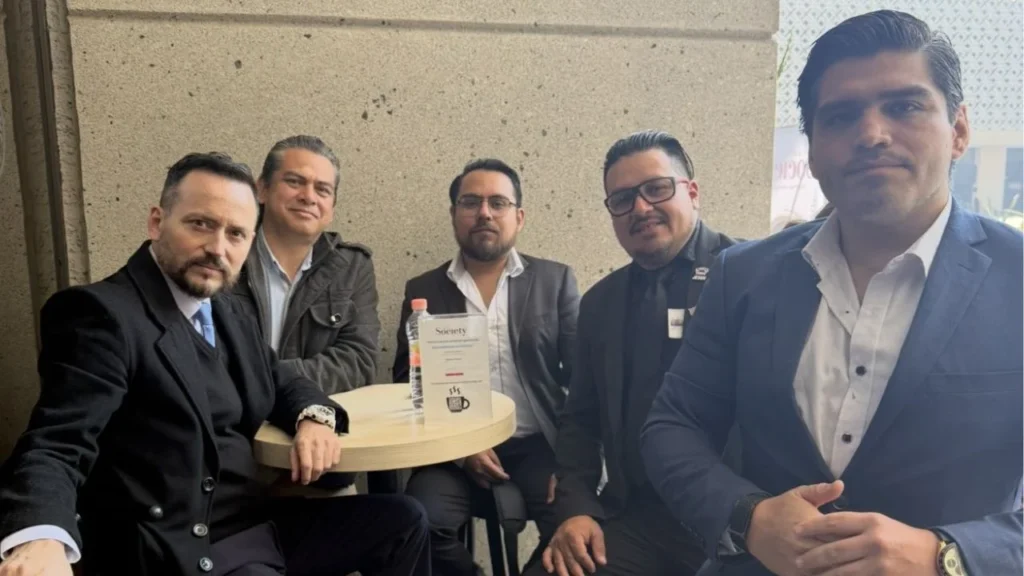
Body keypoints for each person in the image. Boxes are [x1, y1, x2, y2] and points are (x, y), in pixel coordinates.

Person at [642, 10, 1022, 576]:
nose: (871, 134)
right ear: (815, 151)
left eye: (904, 106)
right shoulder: (742, 275)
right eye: (841, 116)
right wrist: (749, 516)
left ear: (959, 129)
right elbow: (673, 427)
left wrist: (947, 554)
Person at [0, 152, 430, 576]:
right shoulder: (101, 315)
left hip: (253, 524)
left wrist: (314, 417)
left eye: (236, 234)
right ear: (157, 222)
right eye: (200, 224)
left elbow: (279, 379)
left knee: (403, 522)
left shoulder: (226, 310)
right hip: (178, 548)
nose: (217, 249)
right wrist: (40, 537)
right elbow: (58, 443)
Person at [531, 130, 737, 576]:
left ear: (692, 193)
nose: (640, 208)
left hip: (732, 524)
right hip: (636, 515)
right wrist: (576, 509)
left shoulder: (748, 277)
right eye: (622, 199)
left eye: (656, 189)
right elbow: (580, 418)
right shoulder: (600, 302)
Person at [395, 158, 580, 575]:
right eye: (471, 202)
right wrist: (462, 448)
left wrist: (573, 466)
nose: (484, 213)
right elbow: (407, 382)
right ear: (454, 214)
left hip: (538, 447)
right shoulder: (423, 290)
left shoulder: (555, 281)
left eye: (498, 202)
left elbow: (583, 383)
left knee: (575, 527)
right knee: (416, 524)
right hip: (452, 450)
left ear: (519, 216)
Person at [232, 135, 381, 492]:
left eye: (322, 189)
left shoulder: (352, 267)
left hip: (318, 459)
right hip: (233, 451)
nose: (309, 196)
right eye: (295, 181)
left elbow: (359, 360)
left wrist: (276, 387)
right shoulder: (228, 255)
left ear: (331, 206)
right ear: (262, 189)